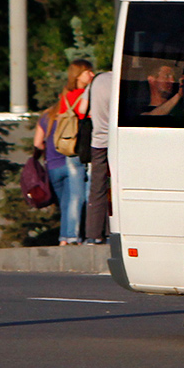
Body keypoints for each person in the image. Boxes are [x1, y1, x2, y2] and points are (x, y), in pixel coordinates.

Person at [35, 59, 94, 245]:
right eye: (88, 72)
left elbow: (38, 143)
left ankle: (64, 237)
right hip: (75, 152)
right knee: (77, 199)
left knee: (67, 202)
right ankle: (72, 237)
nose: (92, 75)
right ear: (78, 75)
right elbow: (88, 115)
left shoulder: (63, 100)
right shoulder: (83, 95)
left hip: (57, 160)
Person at [83, 71, 113, 245]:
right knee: (115, 187)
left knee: (97, 188)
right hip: (116, 140)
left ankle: (94, 234)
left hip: (98, 140)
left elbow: (81, 109)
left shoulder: (96, 81)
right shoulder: (118, 80)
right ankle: (111, 230)